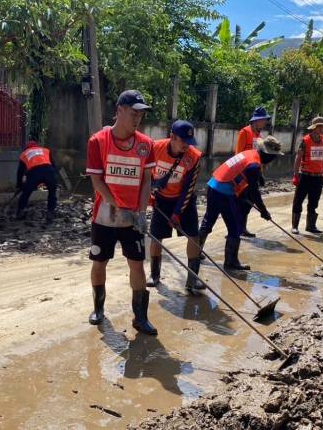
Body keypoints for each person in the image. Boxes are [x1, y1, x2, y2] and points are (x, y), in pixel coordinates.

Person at [87, 90, 157, 335]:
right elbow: (97, 181)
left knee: (137, 265)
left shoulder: (146, 145)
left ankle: (140, 317)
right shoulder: (98, 141)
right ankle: (98, 308)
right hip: (105, 217)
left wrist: (139, 212)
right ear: (119, 110)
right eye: (133, 113)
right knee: (99, 261)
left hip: (133, 219)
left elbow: (146, 181)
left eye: (140, 115)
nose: (137, 118)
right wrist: (116, 206)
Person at [199, 137, 281, 271]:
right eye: (274, 157)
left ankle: (196, 252)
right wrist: (263, 210)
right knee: (235, 227)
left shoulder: (249, 154)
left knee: (209, 220)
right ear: (268, 155)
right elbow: (254, 192)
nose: (273, 160)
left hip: (213, 185)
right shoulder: (254, 164)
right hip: (224, 191)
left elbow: (242, 174)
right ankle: (231, 262)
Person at [146, 120, 204, 295]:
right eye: (183, 142)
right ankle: (154, 275)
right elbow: (145, 173)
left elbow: (189, 188)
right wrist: (148, 195)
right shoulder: (155, 148)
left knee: (193, 236)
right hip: (161, 199)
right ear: (172, 137)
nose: (187, 146)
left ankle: (192, 280)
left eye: (190, 142)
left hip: (183, 200)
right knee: (156, 237)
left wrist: (177, 213)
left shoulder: (194, 156)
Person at [236, 107, 271, 238]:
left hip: (253, 173)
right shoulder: (244, 132)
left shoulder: (259, 136)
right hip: (243, 173)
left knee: (248, 203)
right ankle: (236, 229)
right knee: (240, 203)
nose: (265, 123)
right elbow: (238, 154)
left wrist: (260, 173)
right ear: (257, 120)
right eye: (264, 120)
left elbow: (259, 157)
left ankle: (242, 228)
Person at [292, 116, 323, 234]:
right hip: (305, 176)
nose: (322, 129)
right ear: (314, 128)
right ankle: (295, 226)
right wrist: (296, 174)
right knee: (298, 201)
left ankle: (311, 226)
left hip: (317, 177)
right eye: (320, 126)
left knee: (314, 203)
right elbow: (298, 158)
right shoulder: (305, 141)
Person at [15, 140, 58, 223]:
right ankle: (50, 213)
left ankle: (20, 211)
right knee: (52, 194)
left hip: (34, 173)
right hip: (49, 171)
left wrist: (19, 185)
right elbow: (53, 165)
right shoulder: (46, 150)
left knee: (26, 193)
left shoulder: (24, 154)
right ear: (36, 146)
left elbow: (20, 172)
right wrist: (53, 179)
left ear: (27, 148)